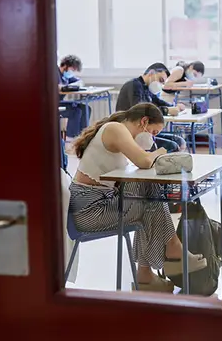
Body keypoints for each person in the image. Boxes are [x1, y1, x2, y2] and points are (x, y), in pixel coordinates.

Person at [68, 103, 207, 292]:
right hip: (90, 210)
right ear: (144, 122)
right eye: (154, 132)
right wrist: (160, 152)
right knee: (149, 200)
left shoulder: (119, 130)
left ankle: (148, 272)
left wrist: (150, 155)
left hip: (100, 201)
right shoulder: (116, 129)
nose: (153, 137)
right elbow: (143, 161)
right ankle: (168, 252)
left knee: (148, 197)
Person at [116, 64, 188, 153]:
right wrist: (167, 110)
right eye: (160, 80)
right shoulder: (134, 85)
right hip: (132, 132)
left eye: (163, 83)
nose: (160, 84)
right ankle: (161, 165)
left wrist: (174, 106)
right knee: (172, 146)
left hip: (144, 130)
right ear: (151, 73)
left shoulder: (146, 87)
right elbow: (141, 111)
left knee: (179, 141)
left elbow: (157, 101)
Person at [58, 55, 91, 138]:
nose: (72, 72)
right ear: (65, 66)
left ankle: (83, 137)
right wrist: (65, 87)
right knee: (76, 111)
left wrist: (74, 85)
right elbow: (58, 87)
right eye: (72, 69)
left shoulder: (65, 77)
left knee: (86, 108)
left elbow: (79, 81)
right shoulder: (55, 73)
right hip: (54, 105)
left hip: (62, 103)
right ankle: (71, 139)